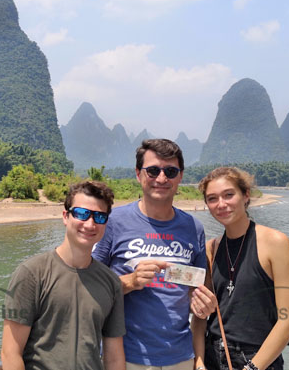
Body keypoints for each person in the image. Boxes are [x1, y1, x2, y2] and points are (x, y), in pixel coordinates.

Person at [92, 138, 217, 370]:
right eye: (152, 171)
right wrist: (130, 281)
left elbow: (193, 290)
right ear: (139, 174)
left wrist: (203, 304)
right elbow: (89, 288)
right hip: (124, 356)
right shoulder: (113, 222)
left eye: (170, 171)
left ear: (180, 176)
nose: (161, 179)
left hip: (180, 357)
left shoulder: (193, 228)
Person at [1, 180, 126, 370]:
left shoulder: (110, 282)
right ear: (65, 216)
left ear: (106, 223)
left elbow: (114, 357)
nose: (90, 224)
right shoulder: (32, 274)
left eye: (99, 217)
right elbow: (10, 353)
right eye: (82, 214)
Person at [196, 167, 289, 370]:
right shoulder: (211, 249)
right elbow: (200, 316)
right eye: (212, 198)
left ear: (246, 195)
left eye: (229, 195)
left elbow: (288, 321)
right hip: (213, 356)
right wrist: (199, 364)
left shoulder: (275, 243)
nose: (221, 204)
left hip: (259, 360)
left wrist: (252, 367)